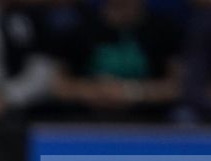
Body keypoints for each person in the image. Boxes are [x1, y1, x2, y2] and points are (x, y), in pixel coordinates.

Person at [50, 0, 185, 122]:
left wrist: (132, 92)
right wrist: (94, 91)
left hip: (150, 123)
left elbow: (176, 86)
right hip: (84, 123)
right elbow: (59, 87)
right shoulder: (78, 29)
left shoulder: (164, 29)